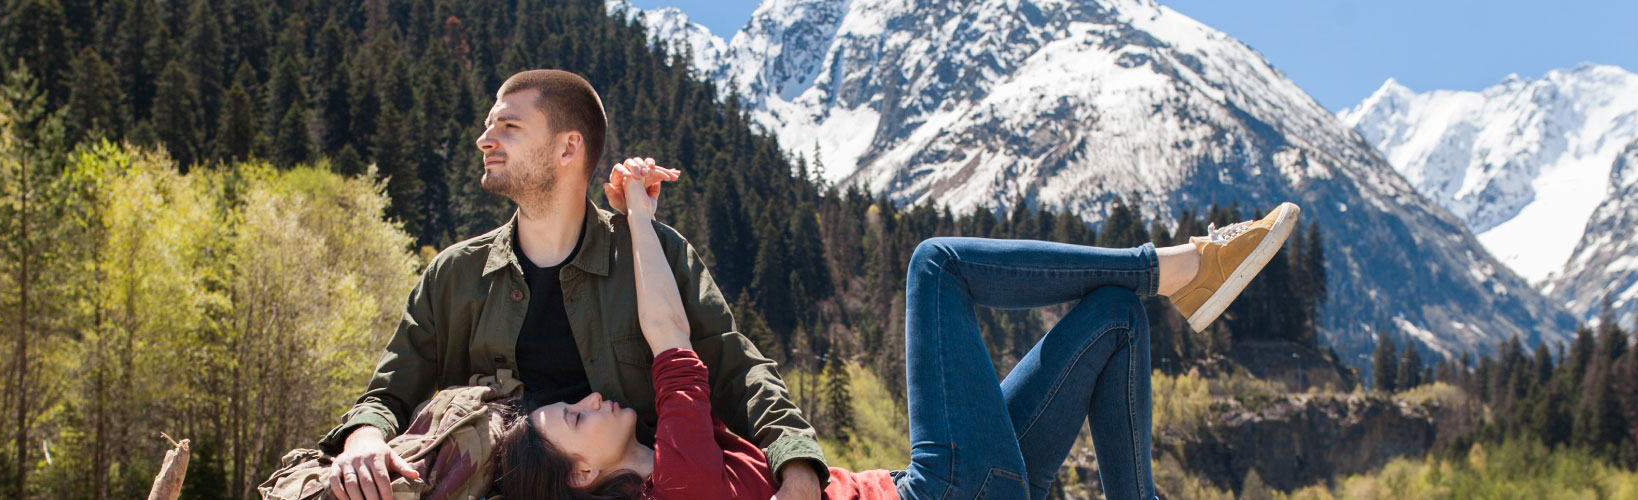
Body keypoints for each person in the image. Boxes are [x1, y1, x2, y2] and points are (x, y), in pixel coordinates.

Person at [500, 158, 1301, 500]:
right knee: (936, 265)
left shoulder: (677, 462)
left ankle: (1171, 282)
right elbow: (667, 330)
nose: (591, 398)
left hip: (955, 490)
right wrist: (638, 218)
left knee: (1115, 322)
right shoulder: (675, 486)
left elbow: (686, 342)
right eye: (573, 416)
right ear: (581, 475)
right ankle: (1180, 266)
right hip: (939, 493)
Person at [320, 70, 829, 500]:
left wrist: (798, 464)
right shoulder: (454, 275)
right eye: (488, 124)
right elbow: (388, 393)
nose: (485, 139)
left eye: (509, 126)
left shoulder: (652, 253)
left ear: (568, 147)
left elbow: (738, 370)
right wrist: (364, 438)